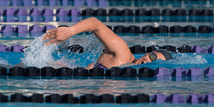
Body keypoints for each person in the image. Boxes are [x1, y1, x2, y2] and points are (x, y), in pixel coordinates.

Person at [43, 17, 172, 69]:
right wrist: (71, 31)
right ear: (147, 53)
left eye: (154, 62)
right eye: (153, 57)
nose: (148, 61)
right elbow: (95, 23)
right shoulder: (123, 53)